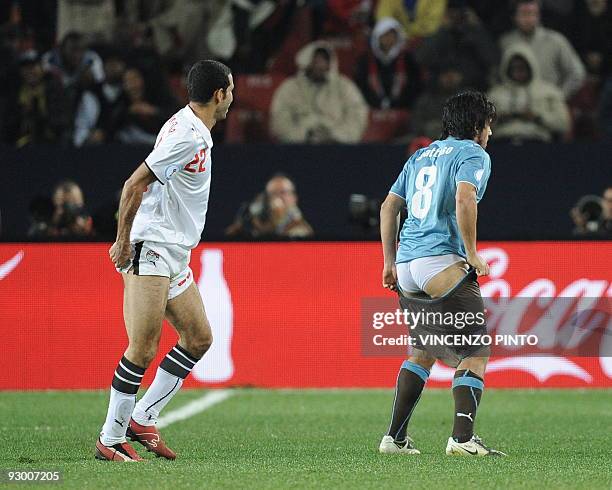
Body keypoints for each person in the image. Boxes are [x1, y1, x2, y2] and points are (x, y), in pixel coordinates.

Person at [96, 60, 234, 462]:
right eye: (232, 90)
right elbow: (135, 183)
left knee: (199, 337)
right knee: (142, 347)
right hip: (150, 247)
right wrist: (123, 241)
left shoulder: (188, 126)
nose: (233, 98)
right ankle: (111, 436)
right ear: (219, 95)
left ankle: (143, 417)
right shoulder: (187, 136)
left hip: (174, 252)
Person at [378, 91, 506, 456]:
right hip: (441, 262)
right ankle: (462, 440)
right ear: (477, 125)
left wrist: (389, 262)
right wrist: (472, 253)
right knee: (476, 351)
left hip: (406, 266)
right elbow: (465, 197)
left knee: (422, 350)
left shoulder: (420, 155)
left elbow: (389, 206)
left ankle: (395, 439)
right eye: (489, 125)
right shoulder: (473, 154)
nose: (490, 134)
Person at [270, 41, 368, 143]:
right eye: (316, 60)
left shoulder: (345, 86)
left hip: (337, 146)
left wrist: (335, 135)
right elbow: (279, 120)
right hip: (299, 147)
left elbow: (357, 116)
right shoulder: (290, 87)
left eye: (324, 60)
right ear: (306, 62)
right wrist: (305, 134)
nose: (320, 65)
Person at [500, 0, 586, 99]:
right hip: (514, 106)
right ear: (514, 17)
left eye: (533, 13)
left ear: (539, 15)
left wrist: (559, 96)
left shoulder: (556, 41)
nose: (529, 18)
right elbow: (496, 76)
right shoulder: (505, 43)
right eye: (524, 14)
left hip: (547, 104)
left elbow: (577, 73)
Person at [488, 43, 570, 142]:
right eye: (514, 68)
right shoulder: (495, 94)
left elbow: (563, 124)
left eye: (522, 67)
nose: (518, 72)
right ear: (507, 68)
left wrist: (537, 118)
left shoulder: (549, 92)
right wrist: (498, 120)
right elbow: (479, 127)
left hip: (537, 143)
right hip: (503, 142)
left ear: (530, 67)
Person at [415, 1, 498, 92]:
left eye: (458, 11)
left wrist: (476, 28)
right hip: (440, 90)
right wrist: (443, 30)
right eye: (451, 11)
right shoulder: (440, 35)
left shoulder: (475, 33)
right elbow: (421, 59)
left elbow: (493, 60)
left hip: (471, 89)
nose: (455, 15)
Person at [355, 17, 421, 110]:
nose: (389, 38)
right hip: (371, 108)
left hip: (403, 107)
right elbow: (360, 87)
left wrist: (399, 103)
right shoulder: (365, 60)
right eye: (385, 35)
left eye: (392, 35)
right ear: (377, 36)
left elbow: (415, 85)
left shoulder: (408, 59)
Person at [225, 174, 314, 238]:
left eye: (283, 192)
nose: (277, 198)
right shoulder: (254, 219)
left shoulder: (300, 226)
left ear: (294, 198)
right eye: (273, 193)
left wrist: (277, 221)